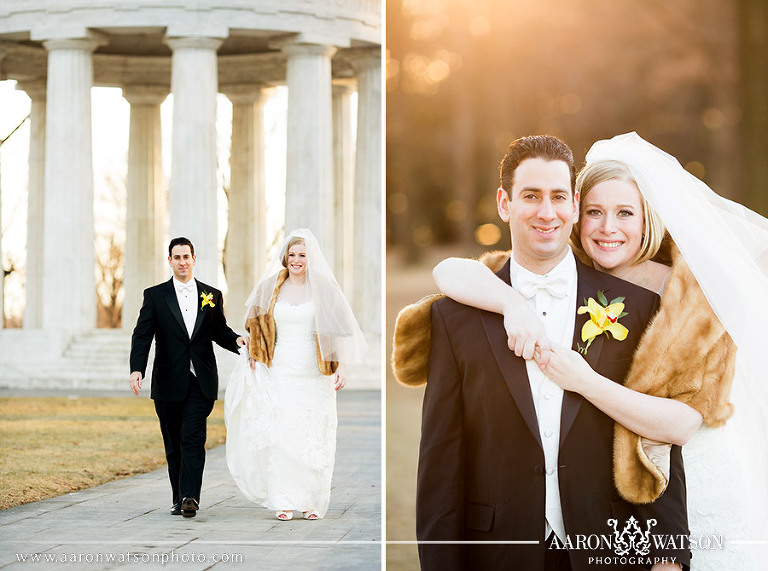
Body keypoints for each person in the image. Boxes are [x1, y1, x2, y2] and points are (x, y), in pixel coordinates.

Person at [398, 132, 768, 569]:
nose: (607, 227)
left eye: (624, 213)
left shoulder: (659, 308)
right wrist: (512, 303)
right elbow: (440, 465)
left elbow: (661, 442)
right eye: (596, 212)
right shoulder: (467, 308)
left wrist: (668, 557)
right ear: (505, 204)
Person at [224, 228, 367, 521]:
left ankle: (313, 501)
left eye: (302, 255)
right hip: (282, 371)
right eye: (292, 255)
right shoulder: (270, 287)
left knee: (315, 434)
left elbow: (335, 330)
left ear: (310, 259)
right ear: (285, 258)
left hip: (315, 373)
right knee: (283, 434)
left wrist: (340, 366)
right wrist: (254, 349)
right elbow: (255, 325)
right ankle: (284, 500)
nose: (297, 260)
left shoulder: (324, 288)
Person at [129, 237, 249, 518]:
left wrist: (237, 341)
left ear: (194, 259)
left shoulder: (212, 294)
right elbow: (142, 334)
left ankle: (190, 497)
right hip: (167, 382)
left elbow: (219, 331)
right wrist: (137, 369)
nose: (182, 262)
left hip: (201, 382)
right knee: (173, 445)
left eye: (186, 257)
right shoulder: (155, 296)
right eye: (177, 257)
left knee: (192, 439)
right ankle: (177, 496)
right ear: (169, 261)